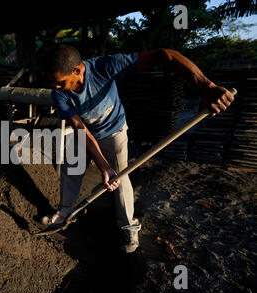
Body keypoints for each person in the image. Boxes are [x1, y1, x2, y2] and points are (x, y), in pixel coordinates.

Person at [41, 44, 234, 253]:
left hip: (113, 130)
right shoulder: (59, 94)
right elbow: (80, 128)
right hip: (86, 132)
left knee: (120, 176)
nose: (57, 88)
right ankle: (64, 214)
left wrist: (206, 86)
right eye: (54, 83)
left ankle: (128, 226)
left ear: (77, 71)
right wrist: (103, 166)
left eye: (60, 82)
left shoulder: (104, 67)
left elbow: (164, 55)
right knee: (71, 167)